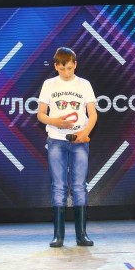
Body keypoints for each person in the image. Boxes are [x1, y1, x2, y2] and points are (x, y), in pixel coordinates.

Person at [37, 47, 98, 248]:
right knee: (59, 186)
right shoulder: (49, 84)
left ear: (75, 64)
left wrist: (85, 133)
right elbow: (41, 114)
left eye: (70, 68)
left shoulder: (84, 84)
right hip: (56, 139)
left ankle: (82, 235)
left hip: (79, 140)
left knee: (79, 186)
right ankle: (58, 236)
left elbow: (93, 114)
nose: (66, 72)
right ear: (56, 66)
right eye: (62, 68)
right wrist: (55, 121)